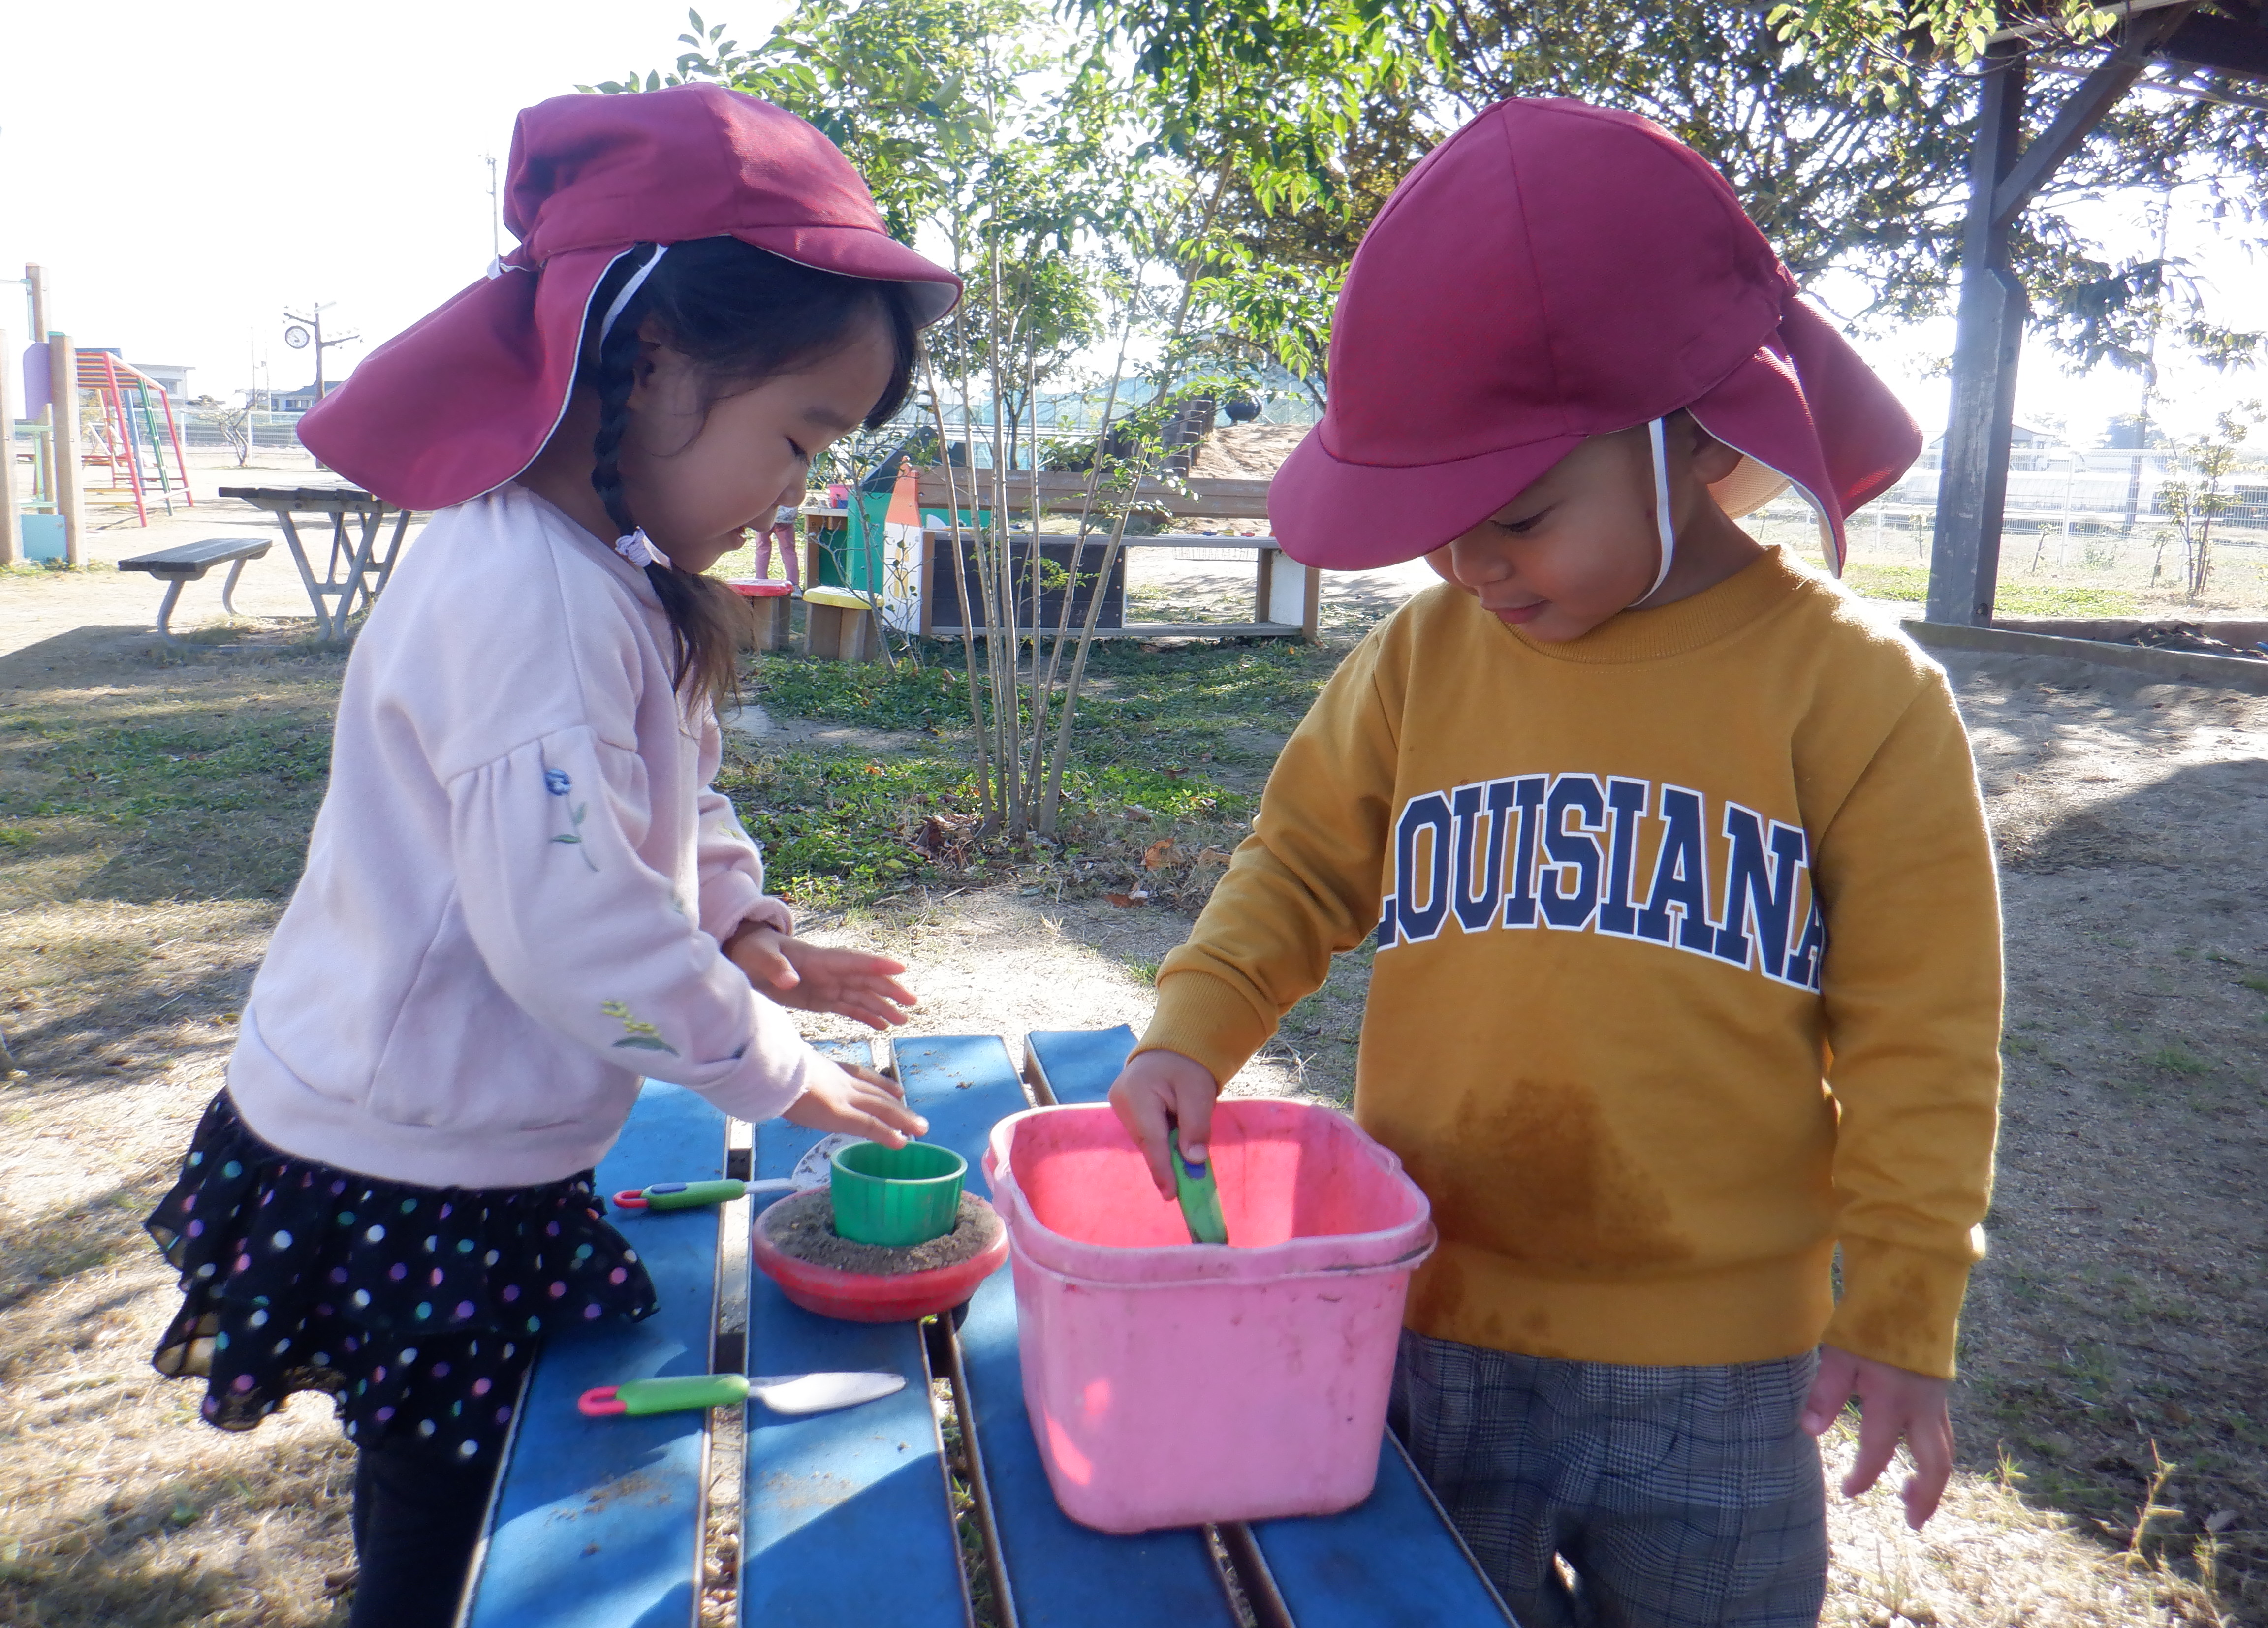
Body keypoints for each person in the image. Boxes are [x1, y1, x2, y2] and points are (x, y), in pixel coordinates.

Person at [1109, 98, 2001, 1628]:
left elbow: (1926, 1033)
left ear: (1693, 439)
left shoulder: (1855, 696)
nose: (1471, 566)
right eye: (1438, 528)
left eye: (1518, 517)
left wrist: (1908, 1304)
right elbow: (1300, 866)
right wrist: (1192, 1031)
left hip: (1720, 1375)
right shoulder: (1420, 663)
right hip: (1437, 1320)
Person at [141, 85, 963, 1628]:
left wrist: (746, 928)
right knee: (448, 1528)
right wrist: (780, 1071)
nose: (797, 490)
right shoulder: (529, 597)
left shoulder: (605, 570)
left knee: (480, 1489)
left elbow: (673, 798)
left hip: (475, 1131)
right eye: (798, 438)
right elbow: (576, 934)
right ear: (649, 361)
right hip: (407, 1158)